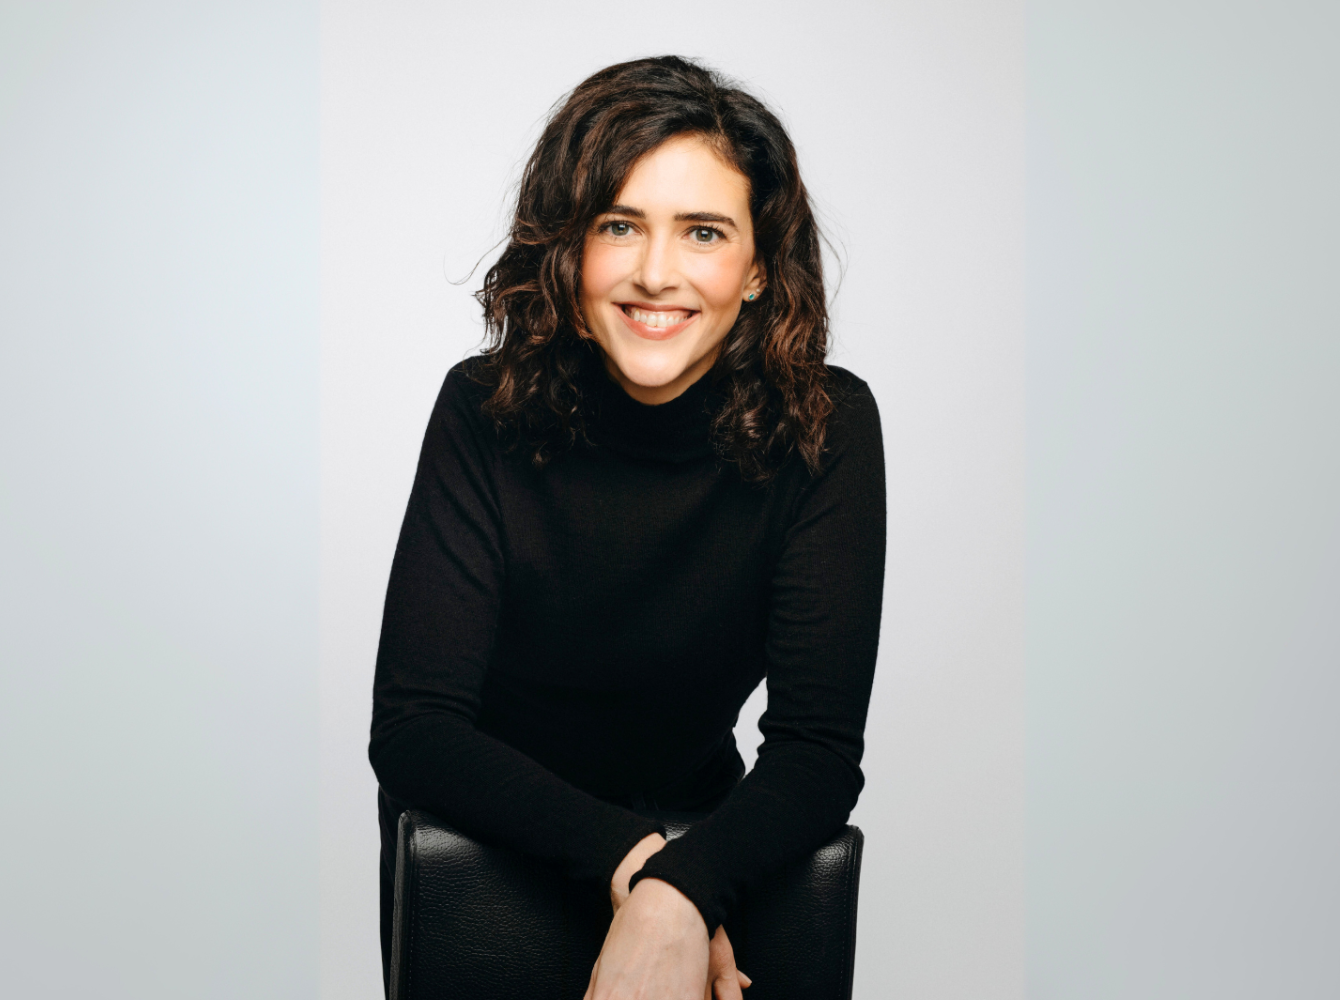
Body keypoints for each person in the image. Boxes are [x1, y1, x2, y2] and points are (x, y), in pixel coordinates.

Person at [370, 55, 885, 1000]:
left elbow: (817, 750)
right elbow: (415, 731)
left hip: (710, 840)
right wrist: (647, 873)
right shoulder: (482, 407)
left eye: (703, 231)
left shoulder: (829, 422)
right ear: (568, 251)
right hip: (487, 841)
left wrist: (685, 888)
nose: (655, 273)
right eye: (619, 225)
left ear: (758, 268)